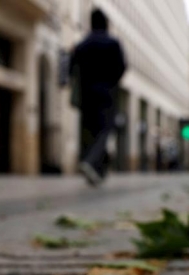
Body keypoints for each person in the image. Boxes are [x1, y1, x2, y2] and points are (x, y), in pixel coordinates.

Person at [70, 9, 127, 186]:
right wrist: (111, 82)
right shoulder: (113, 43)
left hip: (87, 94)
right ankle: (90, 161)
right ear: (106, 23)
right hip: (107, 93)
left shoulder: (82, 44)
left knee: (92, 131)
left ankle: (97, 172)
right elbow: (122, 67)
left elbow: (72, 67)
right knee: (105, 130)